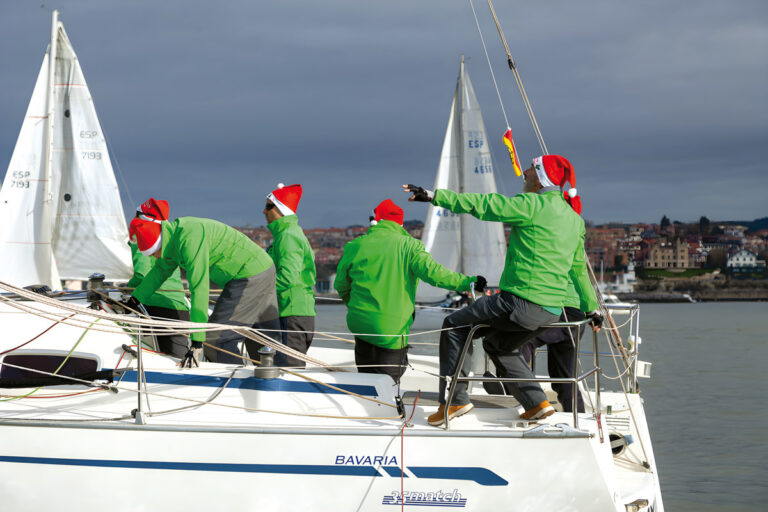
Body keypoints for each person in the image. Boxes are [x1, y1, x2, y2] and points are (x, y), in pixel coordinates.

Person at [404, 154, 602, 426]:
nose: (524, 173)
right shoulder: (574, 220)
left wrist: (435, 196)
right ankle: (536, 405)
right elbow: (579, 269)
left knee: (454, 325)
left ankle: (455, 402)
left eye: (531, 169)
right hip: (551, 311)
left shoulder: (532, 204)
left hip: (520, 301)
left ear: (542, 176)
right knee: (498, 345)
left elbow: (485, 205)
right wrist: (592, 308)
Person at [334, 199, 483, 384]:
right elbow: (436, 275)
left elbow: (341, 285)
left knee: (366, 380)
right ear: (400, 224)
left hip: (359, 324)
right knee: (389, 384)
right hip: (391, 329)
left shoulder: (354, 246)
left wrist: (356, 306)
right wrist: (469, 282)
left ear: (376, 221)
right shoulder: (410, 246)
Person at [129, 215, 280, 367]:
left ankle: (234, 384)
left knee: (216, 339)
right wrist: (136, 299)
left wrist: (197, 341)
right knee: (262, 338)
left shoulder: (188, 239)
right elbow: (160, 271)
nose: (154, 257)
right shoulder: (174, 238)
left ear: (158, 245)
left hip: (247, 274)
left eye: (153, 253)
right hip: (260, 268)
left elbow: (199, 289)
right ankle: (272, 381)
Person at [126, 198, 190, 358]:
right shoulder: (169, 240)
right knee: (177, 362)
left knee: (170, 363)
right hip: (178, 306)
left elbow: (142, 274)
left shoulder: (142, 237)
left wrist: (129, 288)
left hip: (156, 306)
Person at [263, 183, 317, 367]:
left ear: (280, 210)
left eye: (269, 206)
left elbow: (288, 277)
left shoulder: (288, 236)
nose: (264, 211)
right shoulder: (287, 234)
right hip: (295, 312)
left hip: (291, 313)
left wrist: (259, 291)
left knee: (289, 372)